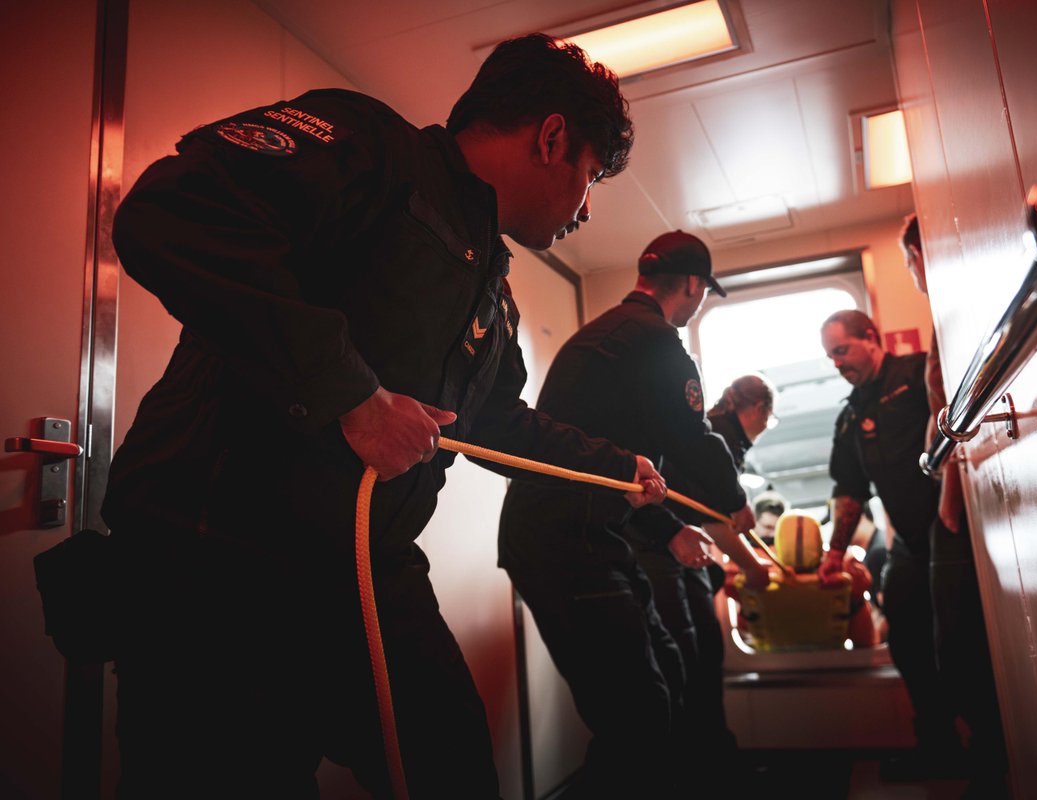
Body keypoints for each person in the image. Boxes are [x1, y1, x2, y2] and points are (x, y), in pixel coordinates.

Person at [103, 35, 670, 799]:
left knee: (454, 769)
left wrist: (615, 471)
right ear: (553, 138)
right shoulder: (372, 151)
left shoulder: (489, 290)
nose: (586, 206)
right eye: (592, 177)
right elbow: (174, 211)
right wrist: (354, 398)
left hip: (365, 570)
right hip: (220, 559)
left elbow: (495, 422)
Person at [497, 231, 758, 799]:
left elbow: (626, 473)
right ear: (692, 285)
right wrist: (734, 504)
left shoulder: (615, 335)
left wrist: (668, 532)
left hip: (586, 535)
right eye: (701, 293)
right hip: (566, 542)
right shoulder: (654, 340)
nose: (698, 303)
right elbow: (692, 437)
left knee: (662, 676)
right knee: (638, 714)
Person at [816, 308, 963, 781]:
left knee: (959, 641)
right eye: (830, 356)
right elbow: (849, 491)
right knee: (905, 634)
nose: (837, 362)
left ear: (872, 338)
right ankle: (937, 745)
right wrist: (835, 552)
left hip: (954, 531)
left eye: (842, 350)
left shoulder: (918, 375)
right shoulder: (850, 416)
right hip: (910, 542)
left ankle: (988, 748)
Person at [629, 374, 777, 796]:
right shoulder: (718, 444)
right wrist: (751, 567)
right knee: (690, 659)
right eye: (767, 417)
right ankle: (703, 771)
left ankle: (714, 765)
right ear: (755, 410)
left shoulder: (716, 437)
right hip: (661, 548)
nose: (766, 425)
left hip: (678, 550)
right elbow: (717, 519)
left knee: (702, 654)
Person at [902, 214, 1009, 795]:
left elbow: (952, 411)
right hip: (959, 488)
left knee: (961, 644)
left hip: (961, 496)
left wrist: (947, 488)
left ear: (921, 252)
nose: (914, 272)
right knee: (957, 643)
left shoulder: (953, 312)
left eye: (909, 261)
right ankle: (988, 756)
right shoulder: (945, 316)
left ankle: (990, 764)